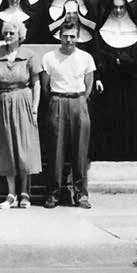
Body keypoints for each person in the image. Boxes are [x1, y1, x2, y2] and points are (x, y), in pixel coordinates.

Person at [0, 20, 42, 209]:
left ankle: (25, 193)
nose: (8, 37)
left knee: (24, 148)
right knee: (7, 147)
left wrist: (34, 109)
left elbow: (37, 84)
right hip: (3, 104)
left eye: (11, 33)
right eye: (6, 33)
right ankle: (11, 194)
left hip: (23, 102)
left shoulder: (29, 55)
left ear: (20, 35)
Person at [40, 24, 95, 209]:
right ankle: (54, 194)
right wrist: (58, 101)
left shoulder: (86, 58)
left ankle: (81, 195)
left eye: (72, 36)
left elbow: (89, 84)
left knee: (80, 152)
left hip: (78, 102)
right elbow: (45, 86)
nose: (69, 40)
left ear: (78, 37)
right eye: (65, 36)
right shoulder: (49, 58)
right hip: (57, 101)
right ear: (59, 36)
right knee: (56, 150)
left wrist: (79, 101)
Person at [91, 0, 137, 161]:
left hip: (131, 84)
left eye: (122, 7)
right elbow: (96, 57)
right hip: (110, 85)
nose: (118, 10)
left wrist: (126, 62)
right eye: (115, 7)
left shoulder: (136, 31)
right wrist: (99, 77)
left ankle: (131, 152)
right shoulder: (102, 32)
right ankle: (112, 152)